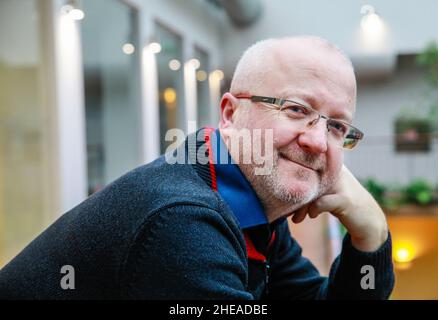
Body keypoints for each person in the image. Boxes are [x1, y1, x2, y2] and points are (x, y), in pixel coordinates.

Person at [0, 36, 394, 299]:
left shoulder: (253, 206)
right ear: (230, 113)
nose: (316, 140)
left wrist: (371, 231)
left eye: (337, 126)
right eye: (295, 109)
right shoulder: (182, 222)